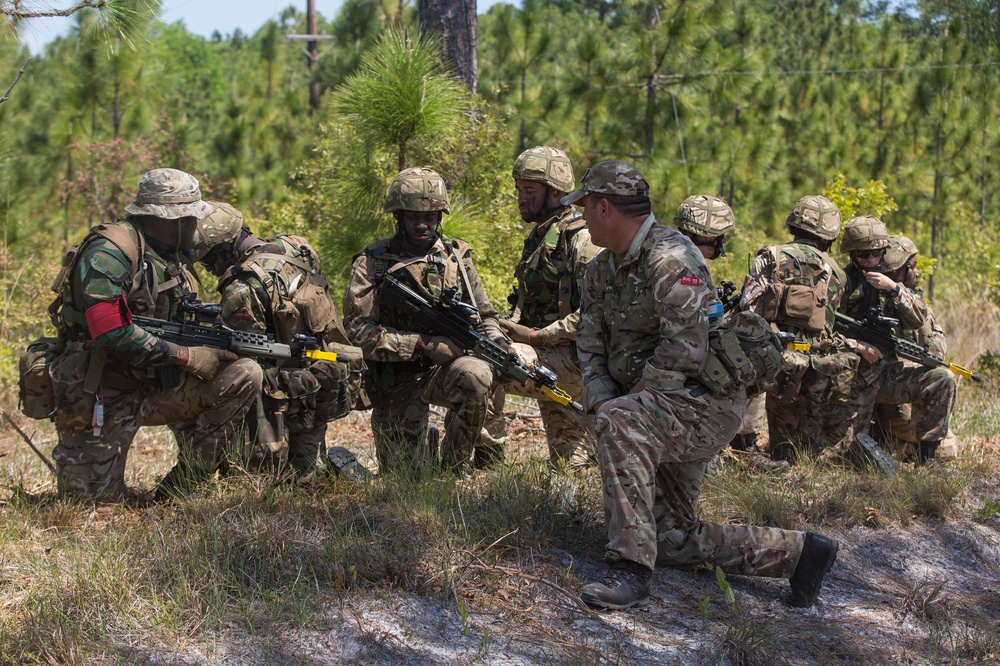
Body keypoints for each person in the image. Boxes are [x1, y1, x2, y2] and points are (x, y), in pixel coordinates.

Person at [571, 161, 838, 611]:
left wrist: (621, 408)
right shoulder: (601, 269)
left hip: (702, 404)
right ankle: (802, 554)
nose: (580, 216)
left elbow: (682, 353)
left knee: (621, 421)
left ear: (604, 207)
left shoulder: (672, 258)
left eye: (584, 207)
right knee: (671, 540)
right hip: (654, 407)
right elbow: (590, 344)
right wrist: (600, 397)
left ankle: (630, 570)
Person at [48, 169, 263, 501]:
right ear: (171, 218)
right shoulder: (110, 252)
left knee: (244, 373)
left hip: (153, 385)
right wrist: (187, 356)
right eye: (191, 218)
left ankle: (181, 487)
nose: (196, 226)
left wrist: (213, 344)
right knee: (90, 506)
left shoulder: (168, 255)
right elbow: (111, 331)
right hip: (102, 393)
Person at [343, 167, 510, 473]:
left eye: (430, 217)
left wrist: (497, 341)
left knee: (476, 376)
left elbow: (485, 314)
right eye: (412, 217)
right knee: (406, 481)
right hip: (395, 379)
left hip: (442, 373)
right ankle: (424, 449)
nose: (422, 224)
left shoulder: (457, 257)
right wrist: (422, 344)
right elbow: (358, 332)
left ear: (440, 217)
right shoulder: (372, 262)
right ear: (398, 217)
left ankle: (453, 469)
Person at [190, 203, 366, 482]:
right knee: (308, 468)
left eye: (209, 260)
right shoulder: (297, 247)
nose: (210, 270)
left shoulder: (243, 286)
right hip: (324, 369)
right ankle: (321, 473)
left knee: (270, 478)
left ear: (226, 247)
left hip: (284, 393)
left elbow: (246, 355)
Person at [490, 146, 598, 468]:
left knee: (484, 368)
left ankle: (486, 458)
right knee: (571, 467)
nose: (521, 198)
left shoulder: (583, 239)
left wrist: (537, 337)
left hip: (578, 361)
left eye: (530, 190)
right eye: (519, 190)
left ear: (555, 192)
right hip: (556, 355)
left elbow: (597, 312)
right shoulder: (543, 236)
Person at [739, 196, 870, 461]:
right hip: (815, 369)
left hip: (772, 365)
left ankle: (745, 443)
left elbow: (747, 311)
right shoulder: (837, 273)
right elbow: (828, 326)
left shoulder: (771, 257)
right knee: (797, 452)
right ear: (830, 234)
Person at [838, 223, 956, 462]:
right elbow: (821, 333)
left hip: (885, 377)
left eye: (876, 254)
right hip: (849, 377)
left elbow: (927, 336)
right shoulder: (842, 282)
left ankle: (927, 461)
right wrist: (858, 346)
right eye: (864, 254)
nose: (871, 259)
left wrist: (894, 290)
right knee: (847, 455)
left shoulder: (894, 290)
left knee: (943, 379)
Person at [671, 194, 765, 454]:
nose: (723, 242)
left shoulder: (665, 251)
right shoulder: (689, 263)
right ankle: (739, 447)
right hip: (677, 359)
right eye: (720, 236)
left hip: (668, 352)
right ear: (708, 236)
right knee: (755, 357)